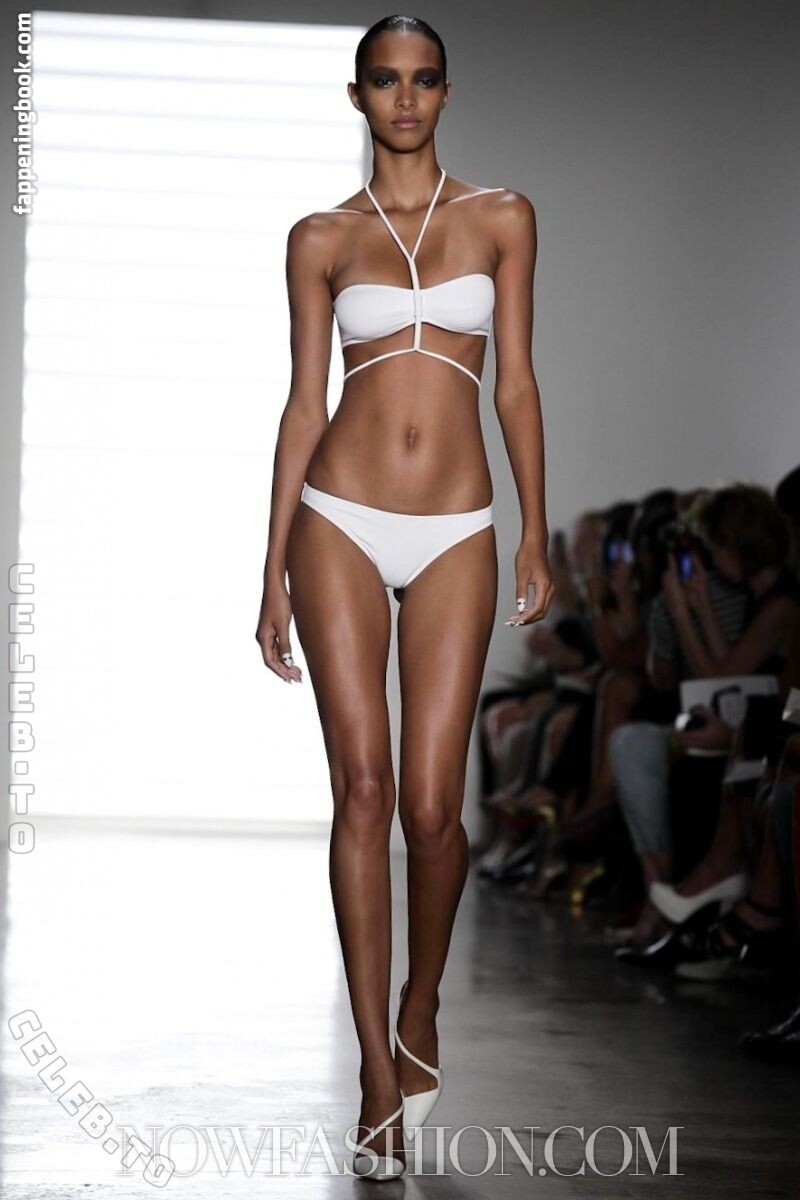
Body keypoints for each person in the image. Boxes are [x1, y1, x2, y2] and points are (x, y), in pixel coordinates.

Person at [254, 15, 553, 1182]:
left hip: (457, 526)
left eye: (423, 79)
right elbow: (301, 401)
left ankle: (418, 1003)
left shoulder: (503, 216)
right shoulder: (320, 237)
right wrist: (269, 564)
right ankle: (376, 1075)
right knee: (364, 790)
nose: (406, 98)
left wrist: (534, 530)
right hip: (336, 514)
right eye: (384, 80)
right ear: (357, 95)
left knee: (432, 808)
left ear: (445, 92)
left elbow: (515, 382)